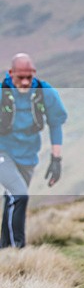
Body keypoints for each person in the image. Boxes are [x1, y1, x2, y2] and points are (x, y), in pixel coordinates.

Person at [0, 54, 67, 248]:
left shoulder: (44, 92)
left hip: (28, 155)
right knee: (20, 194)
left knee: (13, 198)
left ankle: (4, 248)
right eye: (20, 77)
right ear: (10, 73)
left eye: (29, 77)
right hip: (3, 152)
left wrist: (56, 160)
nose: (25, 82)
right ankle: (19, 250)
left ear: (34, 73)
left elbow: (56, 124)